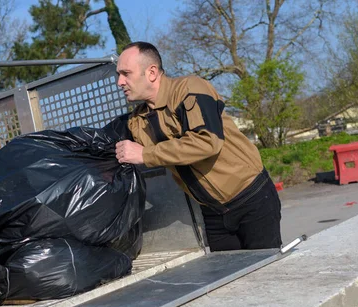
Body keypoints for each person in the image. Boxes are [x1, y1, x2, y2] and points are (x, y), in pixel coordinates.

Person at [114, 41, 281, 252]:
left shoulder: (190, 89)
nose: (120, 82)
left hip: (251, 198)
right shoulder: (138, 120)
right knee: (229, 280)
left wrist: (146, 154)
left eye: (125, 73)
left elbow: (207, 141)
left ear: (152, 72)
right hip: (213, 213)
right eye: (119, 75)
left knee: (266, 271)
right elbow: (101, 142)